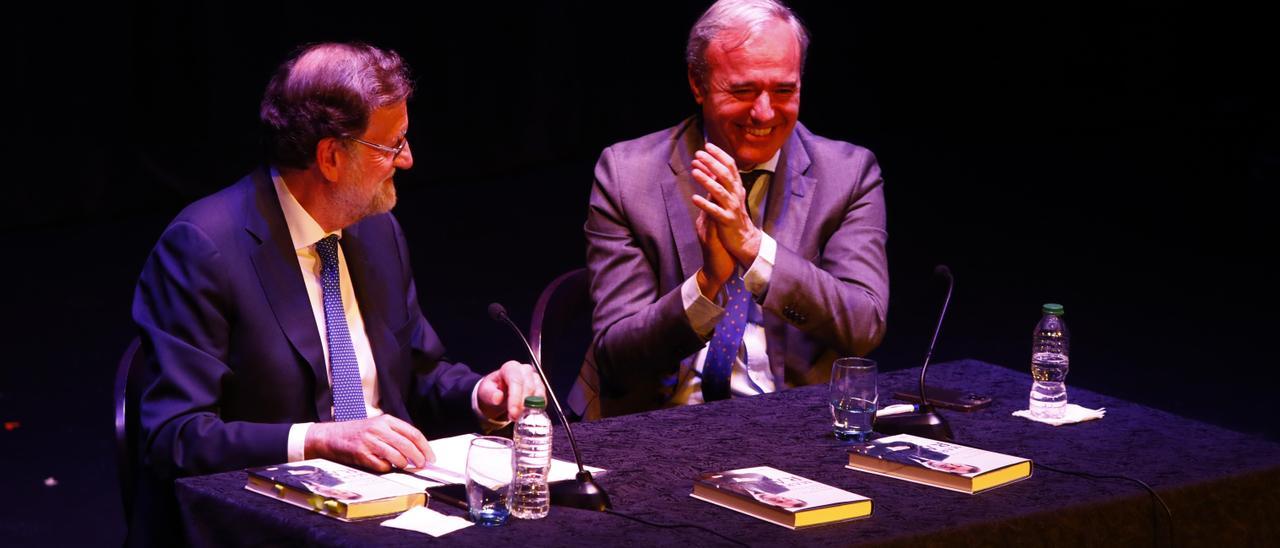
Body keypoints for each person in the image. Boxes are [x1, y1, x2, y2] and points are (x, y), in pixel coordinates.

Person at [129, 42, 542, 543]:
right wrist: (320, 440)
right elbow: (173, 435)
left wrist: (483, 395)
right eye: (391, 144)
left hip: (393, 504)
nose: (407, 159)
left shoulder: (376, 232)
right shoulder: (205, 247)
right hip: (269, 522)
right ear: (330, 157)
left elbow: (416, 373)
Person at [573, 0, 889, 419]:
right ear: (698, 84)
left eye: (784, 90)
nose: (764, 112)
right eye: (743, 91)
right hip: (658, 421)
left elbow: (864, 325)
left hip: (793, 422)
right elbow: (616, 357)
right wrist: (706, 285)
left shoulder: (848, 174)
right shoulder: (628, 175)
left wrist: (755, 249)